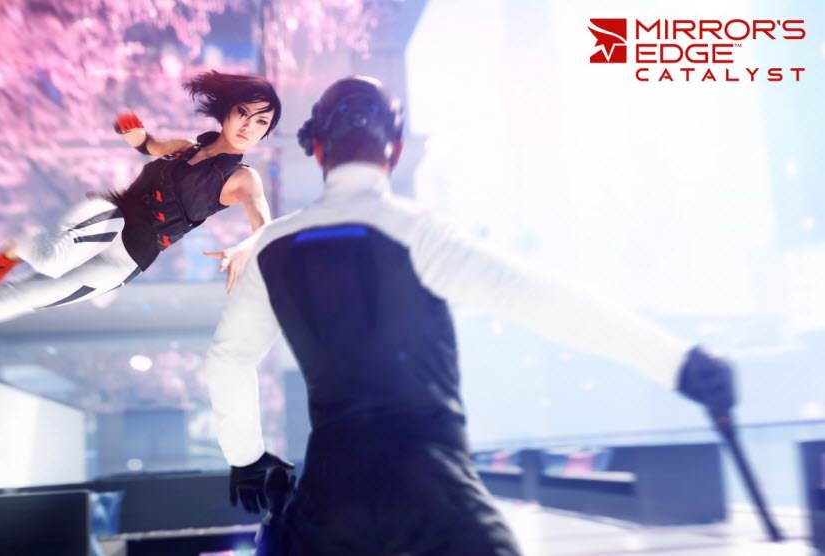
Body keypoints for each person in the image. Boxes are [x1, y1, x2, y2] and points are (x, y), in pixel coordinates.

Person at [204, 76, 735, 555]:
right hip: (433, 491)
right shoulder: (418, 231)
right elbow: (540, 298)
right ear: (396, 147)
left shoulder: (271, 246)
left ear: (318, 148)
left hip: (328, 499)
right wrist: (678, 363)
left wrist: (246, 459)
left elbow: (230, 360)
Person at [0, 72, 280, 327]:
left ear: (267, 131)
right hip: (112, 215)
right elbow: (147, 145)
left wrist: (243, 247)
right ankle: (22, 246)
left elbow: (263, 224)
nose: (249, 126)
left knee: (20, 300)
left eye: (261, 121)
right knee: (52, 261)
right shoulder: (183, 147)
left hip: (130, 259)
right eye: (243, 112)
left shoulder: (244, 178)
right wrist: (133, 132)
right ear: (226, 112)